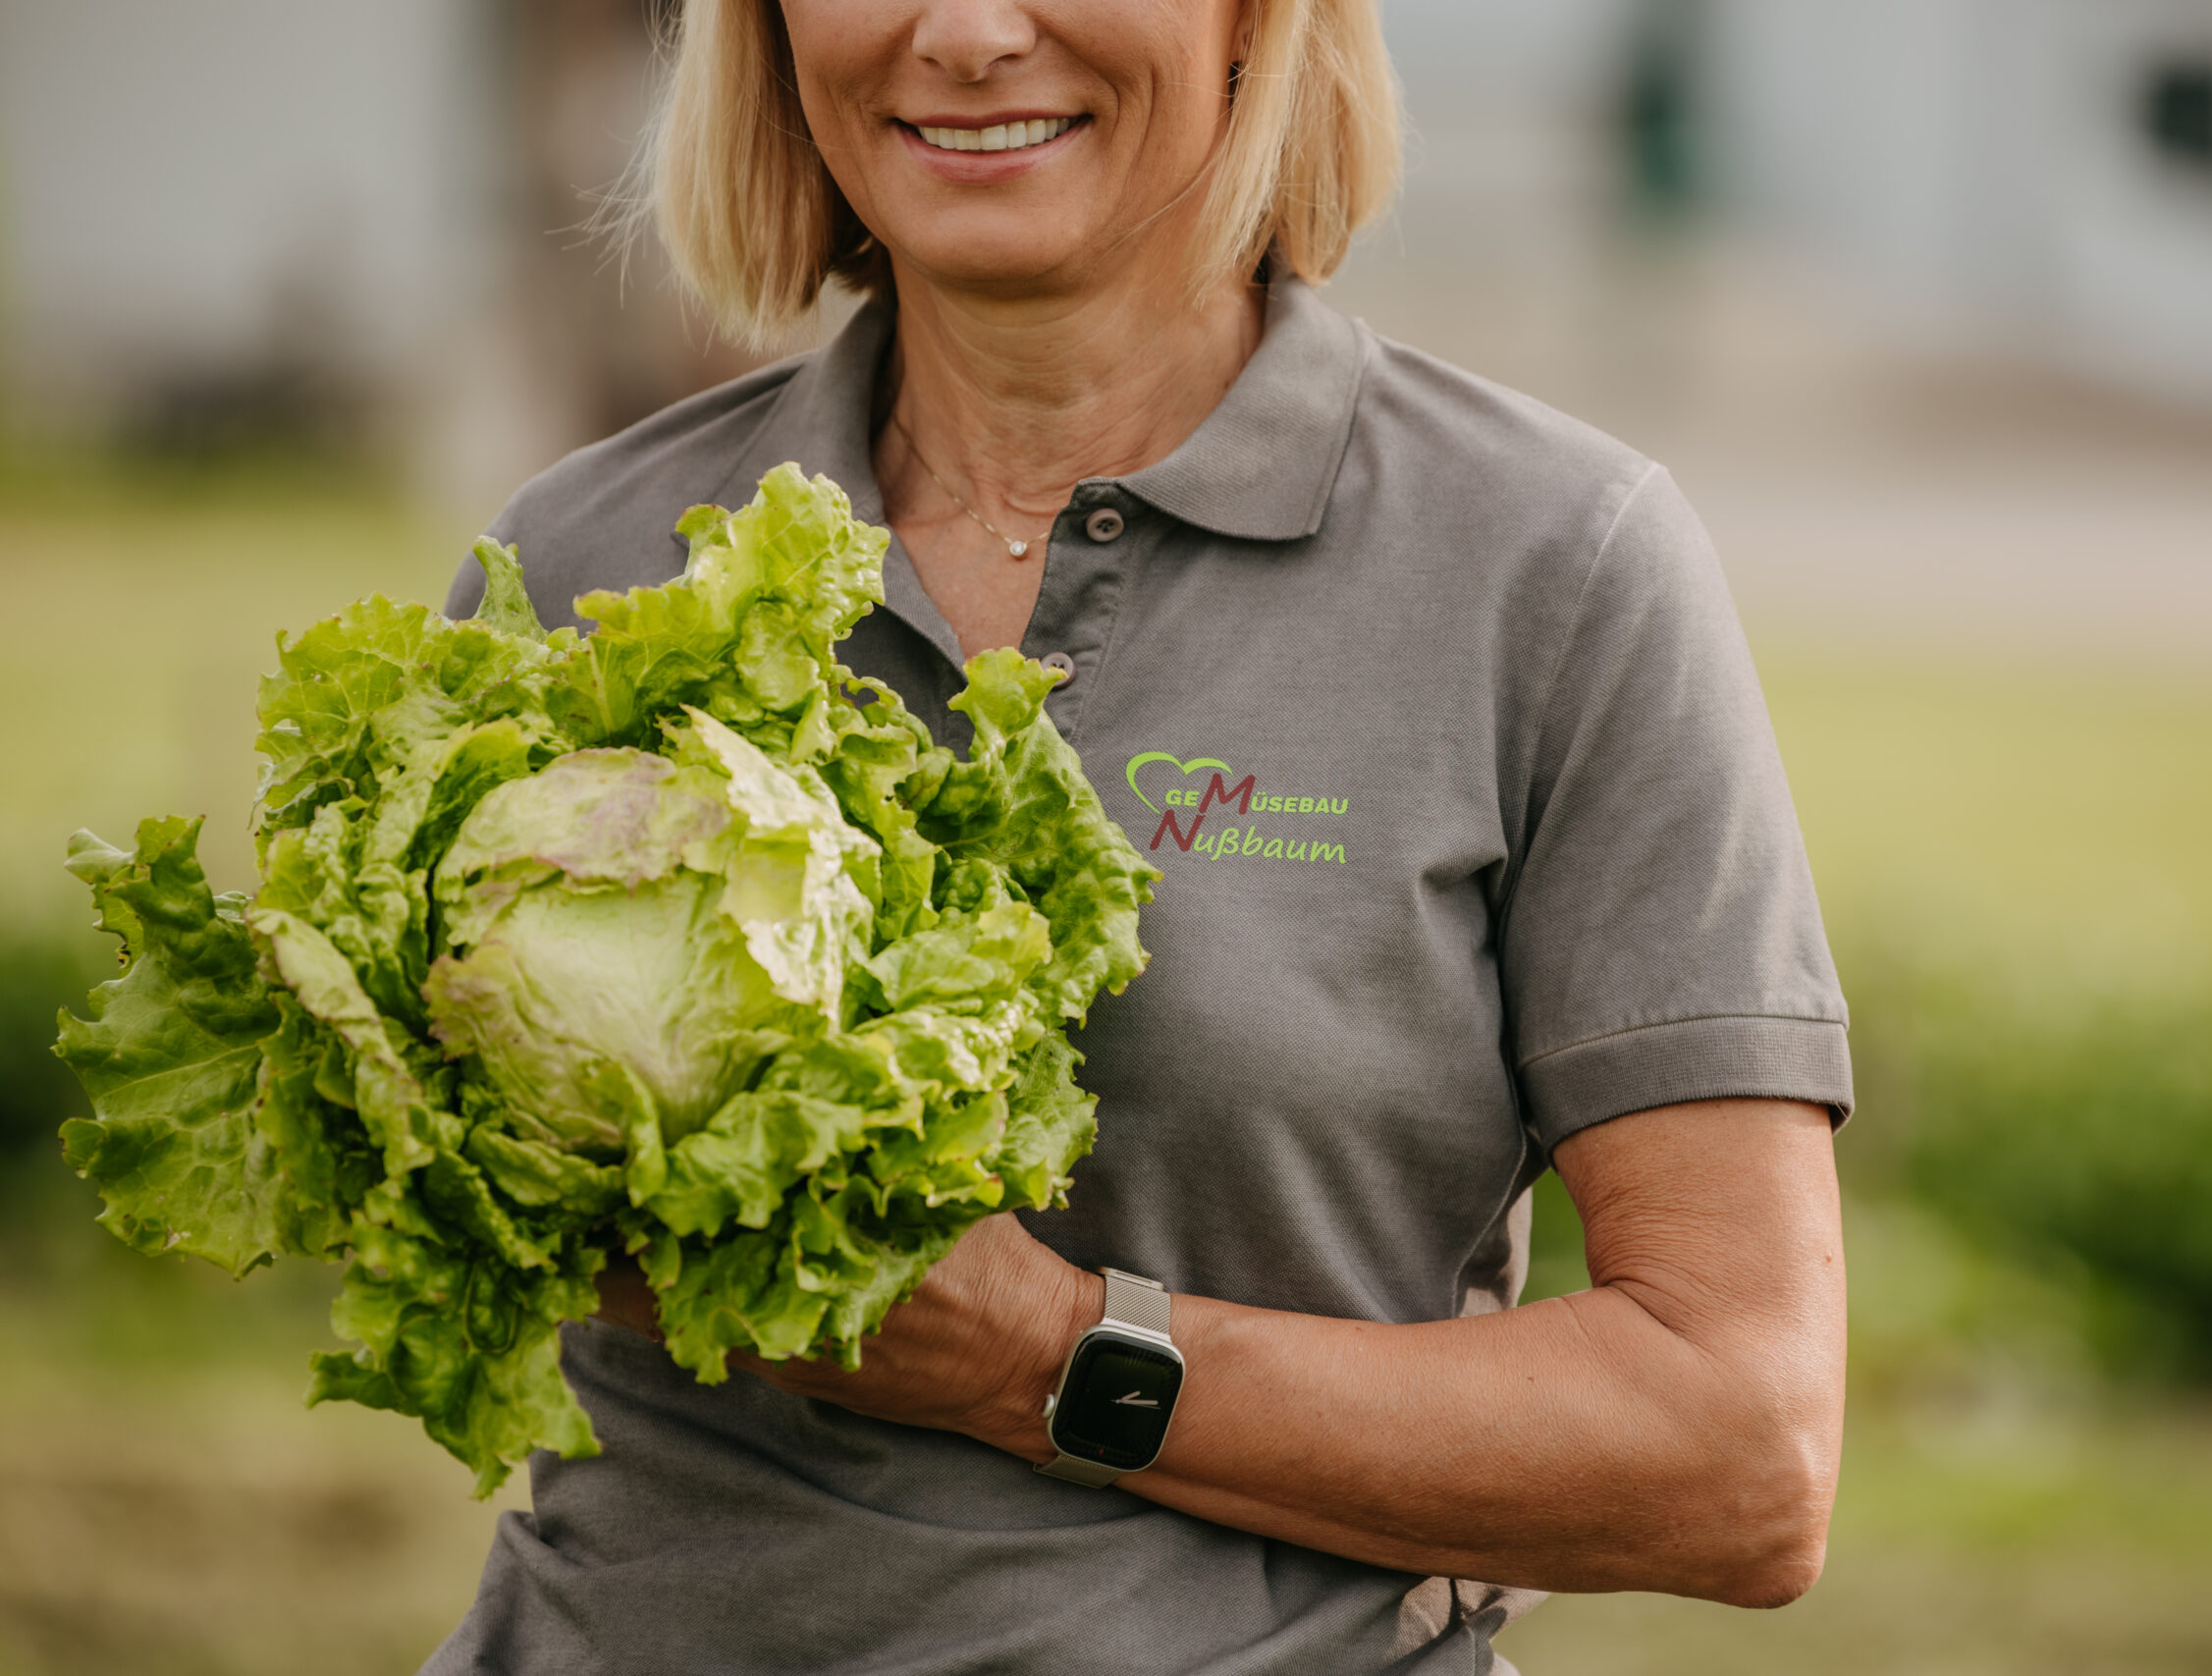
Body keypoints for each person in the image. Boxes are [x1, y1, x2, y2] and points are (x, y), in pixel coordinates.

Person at [424, 1, 1853, 1671]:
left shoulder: (1552, 564)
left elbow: (1740, 1453)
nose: (962, 34)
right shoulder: (581, 563)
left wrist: (1038, 1358)